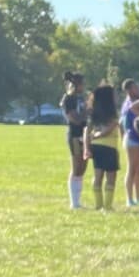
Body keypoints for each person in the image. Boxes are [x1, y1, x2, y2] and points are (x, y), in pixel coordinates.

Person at [84, 83, 121, 211]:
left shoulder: (93, 112)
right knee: (111, 177)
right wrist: (98, 135)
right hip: (109, 147)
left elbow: (86, 131)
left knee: (98, 175)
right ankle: (108, 206)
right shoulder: (112, 113)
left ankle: (98, 204)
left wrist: (87, 147)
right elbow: (109, 129)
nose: (116, 96)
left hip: (96, 147)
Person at [62, 71, 89, 209]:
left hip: (85, 134)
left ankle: (78, 200)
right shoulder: (69, 99)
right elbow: (74, 118)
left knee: (83, 166)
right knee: (76, 166)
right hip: (74, 134)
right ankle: (74, 202)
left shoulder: (83, 98)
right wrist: (85, 113)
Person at [121, 78, 139, 207]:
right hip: (133, 139)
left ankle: (138, 197)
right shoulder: (128, 106)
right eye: (135, 87)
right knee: (132, 168)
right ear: (129, 90)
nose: (138, 89)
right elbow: (131, 126)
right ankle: (129, 198)